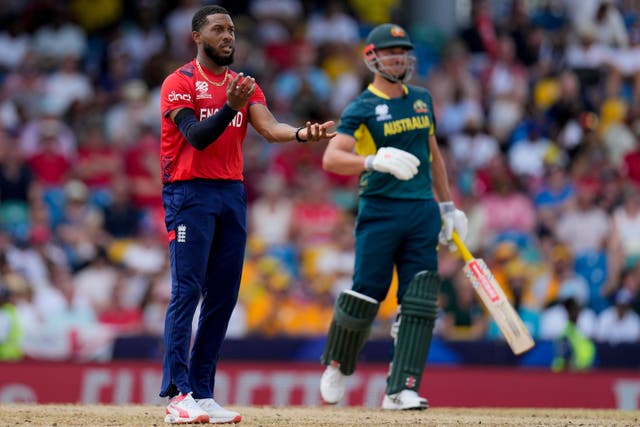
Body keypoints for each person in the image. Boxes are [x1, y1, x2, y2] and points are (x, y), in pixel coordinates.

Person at [158, 5, 335, 424]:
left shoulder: (242, 85)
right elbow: (196, 138)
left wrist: (299, 134)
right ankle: (178, 394)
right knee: (187, 290)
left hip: (231, 193)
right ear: (197, 36)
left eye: (232, 30)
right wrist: (227, 108)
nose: (228, 36)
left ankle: (202, 393)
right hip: (188, 191)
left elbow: (270, 128)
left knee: (224, 295)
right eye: (219, 29)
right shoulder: (179, 82)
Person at [318, 23, 467, 410]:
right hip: (380, 210)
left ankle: (401, 389)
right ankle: (338, 362)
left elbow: (433, 155)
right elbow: (332, 157)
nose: (399, 57)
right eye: (391, 51)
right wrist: (371, 160)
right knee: (367, 292)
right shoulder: (362, 106)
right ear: (372, 57)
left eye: (403, 50)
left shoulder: (421, 99)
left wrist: (448, 206)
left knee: (419, 300)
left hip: (421, 210)